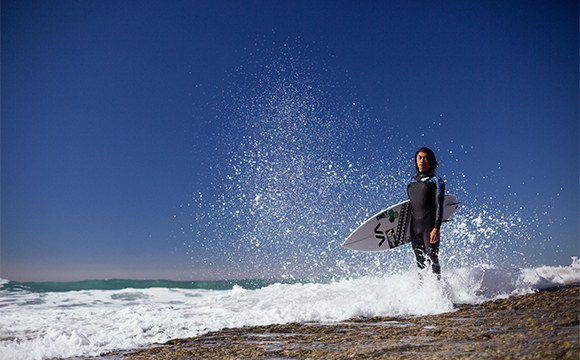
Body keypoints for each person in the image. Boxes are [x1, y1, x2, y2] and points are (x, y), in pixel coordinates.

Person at [407, 147, 445, 276]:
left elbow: (440, 205)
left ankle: (438, 291)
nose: (422, 161)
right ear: (416, 161)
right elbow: (409, 208)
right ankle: (423, 291)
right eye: (419, 158)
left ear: (430, 161)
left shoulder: (436, 181)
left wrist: (436, 228)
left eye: (425, 158)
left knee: (432, 258)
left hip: (429, 226)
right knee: (419, 261)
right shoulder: (410, 182)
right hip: (414, 228)